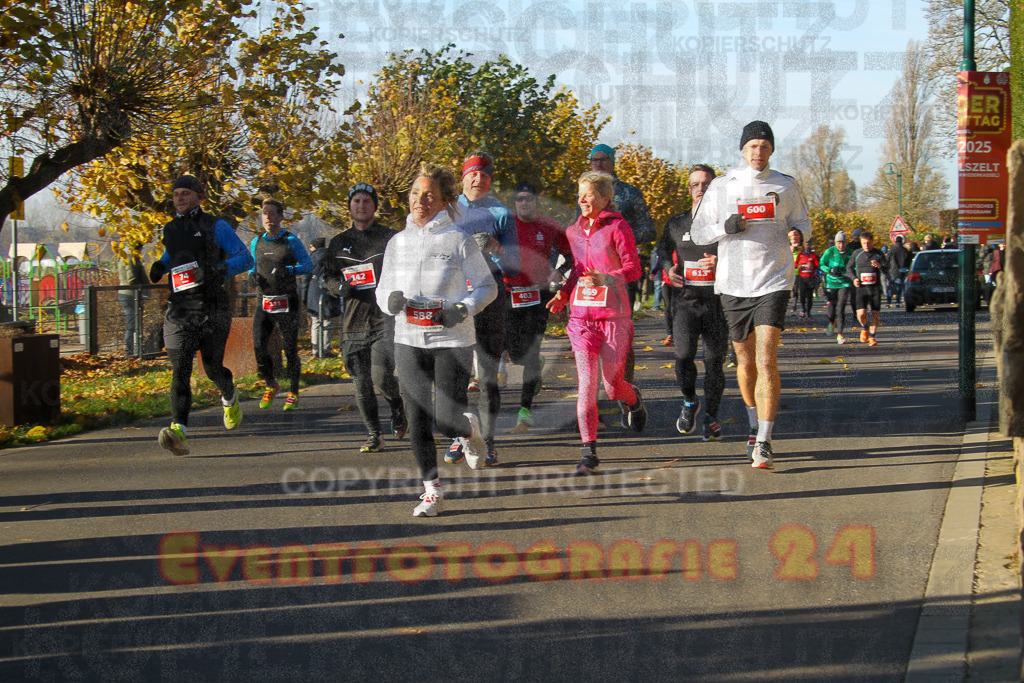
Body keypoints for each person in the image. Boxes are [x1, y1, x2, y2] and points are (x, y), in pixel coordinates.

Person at [376, 163, 496, 517]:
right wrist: (390, 302)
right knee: (416, 418)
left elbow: (488, 286)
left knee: (445, 418)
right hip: (409, 337)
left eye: (429, 195)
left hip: (452, 340)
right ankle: (431, 491)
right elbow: (383, 290)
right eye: (415, 193)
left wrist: (462, 308)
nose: (420, 200)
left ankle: (468, 429)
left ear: (444, 200)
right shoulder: (397, 243)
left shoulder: (457, 240)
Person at [691, 121, 811, 471]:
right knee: (745, 363)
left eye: (765, 146)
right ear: (742, 150)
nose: (759, 152)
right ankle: (753, 423)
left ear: (772, 150)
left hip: (774, 279)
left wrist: (798, 233)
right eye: (753, 146)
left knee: (766, 360)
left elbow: (804, 221)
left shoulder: (785, 184)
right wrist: (725, 227)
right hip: (733, 283)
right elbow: (699, 232)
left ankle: (765, 441)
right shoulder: (723, 186)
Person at [546, 170, 647, 475]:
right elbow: (577, 269)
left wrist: (608, 278)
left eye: (589, 194)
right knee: (587, 386)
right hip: (581, 318)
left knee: (612, 386)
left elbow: (634, 269)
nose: (582, 199)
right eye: (580, 194)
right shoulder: (573, 231)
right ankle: (588, 451)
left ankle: (633, 399)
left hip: (614, 317)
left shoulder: (618, 227)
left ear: (604, 198)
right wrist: (564, 294)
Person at [148, 174, 254, 455]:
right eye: (176, 194)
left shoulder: (216, 226)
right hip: (180, 308)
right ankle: (178, 431)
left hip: (212, 307)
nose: (180, 198)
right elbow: (175, 255)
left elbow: (245, 258)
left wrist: (219, 269)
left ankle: (229, 396)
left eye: (185, 193)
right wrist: (161, 264)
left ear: (198, 196)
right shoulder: (170, 229)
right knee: (180, 368)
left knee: (211, 368)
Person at [446, 152, 520, 467]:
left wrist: (495, 247)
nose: (479, 180)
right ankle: (461, 437)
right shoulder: (446, 211)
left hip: (490, 303)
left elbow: (515, 265)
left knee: (487, 378)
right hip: (454, 302)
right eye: (473, 174)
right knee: (454, 376)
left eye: (485, 176)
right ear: (463, 178)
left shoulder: (501, 213)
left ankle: (488, 442)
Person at [322, 183, 407, 453]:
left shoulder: (391, 239)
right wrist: (338, 288)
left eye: (367, 201)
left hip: (383, 319)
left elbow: (407, 272)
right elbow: (328, 278)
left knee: (382, 376)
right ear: (350, 206)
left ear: (375, 206)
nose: (361, 206)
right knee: (361, 384)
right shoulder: (338, 242)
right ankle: (374, 435)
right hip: (352, 322)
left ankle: (396, 407)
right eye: (356, 201)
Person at [656, 163, 729, 441]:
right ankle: (689, 401)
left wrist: (722, 261)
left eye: (707, 184)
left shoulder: (725, 225)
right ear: (689, 189)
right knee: (683, 355)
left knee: (714, 362)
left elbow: (744, 254)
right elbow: (663, 247)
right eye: (696, 184)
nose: (701, 189)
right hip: (686, 302)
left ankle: (711, 417)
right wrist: (668, 267)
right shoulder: (677, 223)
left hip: (718, 303)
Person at [503, 180, 572, 432]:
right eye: (519, 199)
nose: (524, 203)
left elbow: (572, 254)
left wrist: (559, 271)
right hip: (510, 295)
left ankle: (524, 411)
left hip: (538, 296)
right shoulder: (506, 225)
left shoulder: (549, 226)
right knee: (516, 352)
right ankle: (534, 362)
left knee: (530, 352)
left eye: (528, 199)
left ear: (536, 201)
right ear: (514, 203)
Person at [247, 199, 313, 411]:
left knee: (290, 348)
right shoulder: (256, 242)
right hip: (263, 302)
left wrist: (291, 270)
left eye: (271, 213)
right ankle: (271, 384)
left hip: (287, 302)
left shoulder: (291, 240)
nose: (267, 217)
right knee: (258, 344)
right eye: (264, 213)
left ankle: (293, 391)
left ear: (281, 216)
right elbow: (252, 266)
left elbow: (308, 265)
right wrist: (251, 277)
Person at [847, 231, 887, 346]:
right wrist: (854, 278)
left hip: (875, 288)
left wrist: (880, 265)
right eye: (864, 243)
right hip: (861, 288)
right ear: (861, 242)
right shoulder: (857, 254)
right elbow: (848, 268)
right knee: (861, 314)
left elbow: (888, 269)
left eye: (868, 243)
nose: (866, 245)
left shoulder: (878, 254)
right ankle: (864, 327)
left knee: (875, 314)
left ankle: (872, 337)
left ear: (872, 242)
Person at [305, 238, 341, 358]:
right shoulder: (332, 256)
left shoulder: (310, 258)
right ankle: (326, 348)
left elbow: (306, 277)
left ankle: (316, 350)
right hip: (329, 289)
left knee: (315, 320)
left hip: (314, 289)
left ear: (314, 246)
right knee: (327, 320)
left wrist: (304, 296)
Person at [819, 231, 854, 344]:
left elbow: (855, 266)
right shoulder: (830, 251)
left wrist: (850, 274)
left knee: (841, 307)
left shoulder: (850, 253)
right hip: (831, 283)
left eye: (843, 243)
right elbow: (821, 264)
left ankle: (840, 334)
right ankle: (831, 322)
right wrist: (829, 270)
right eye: (838, 243)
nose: (841, 245)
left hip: (844, 283)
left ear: (846, 243)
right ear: (835, 243)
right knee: (832, 307)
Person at [116, 242, 146, 356]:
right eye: (141, 249)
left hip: (129, 294)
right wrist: (141, 291)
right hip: (130, 294)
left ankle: (135, 350)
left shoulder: (125, 257)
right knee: (132, 324)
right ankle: (130, 352)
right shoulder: (130, 259)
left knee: (134, 323)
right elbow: (131, 278)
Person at [794, 238, 819, 319]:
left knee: (809, 296)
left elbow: (817, 265)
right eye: (806, 244)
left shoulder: (813, 255)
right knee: (802, 295)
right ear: (803, 245)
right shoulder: (801, 254)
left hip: (811, 277)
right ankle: (803, 310)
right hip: (802, 277)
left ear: (810, 245)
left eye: (809, 244)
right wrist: (799, 266)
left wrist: (812, 266)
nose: (807, 245)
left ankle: (808, 312)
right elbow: (795, 263)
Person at [887, 235, 912, 307]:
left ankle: (888, 302)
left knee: (890, 287)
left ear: (895, 241)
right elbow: (908, 260)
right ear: (902, 241)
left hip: (892, 271)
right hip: (901, 271)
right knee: (899, 288)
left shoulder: (892, 249)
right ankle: (897, 302)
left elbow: (887, 259)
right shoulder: (904, 250)